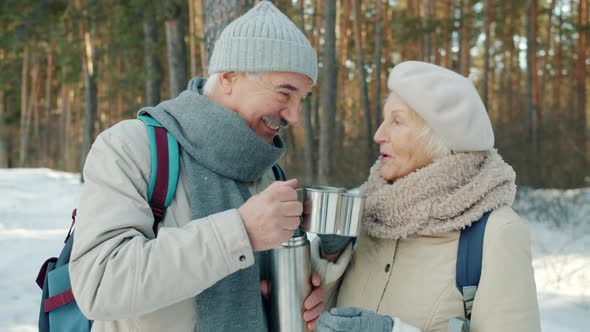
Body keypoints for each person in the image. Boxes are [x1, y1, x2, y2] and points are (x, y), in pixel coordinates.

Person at [69, 2, 324, 331]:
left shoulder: (268, 173)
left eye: (302, 98)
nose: (294, 116)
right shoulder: (132, 148)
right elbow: (100, 285)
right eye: (285, 93)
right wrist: (240, 232)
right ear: (230, 77)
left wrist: (297, 294)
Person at [312, 61, 541, 332]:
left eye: (396, 121)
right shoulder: (371, 214)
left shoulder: (498, 233)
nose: (378, 135)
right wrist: (329, 258)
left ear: (438, 139)